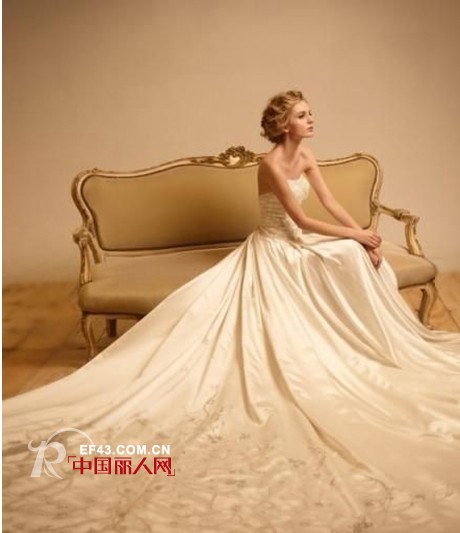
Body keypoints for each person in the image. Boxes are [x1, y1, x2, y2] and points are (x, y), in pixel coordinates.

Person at [3, 90, 460, 533]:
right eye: (303, 115)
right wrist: (357, 237)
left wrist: (361, 235)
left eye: (310, 113)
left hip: (302, 245)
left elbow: (330, 202)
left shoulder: (307, 155)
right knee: (345, 251)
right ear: (283, 125)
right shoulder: (269, 165)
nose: (311, 120)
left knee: (351, 256)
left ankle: (362, 341)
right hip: (278, 247)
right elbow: (300, 220)